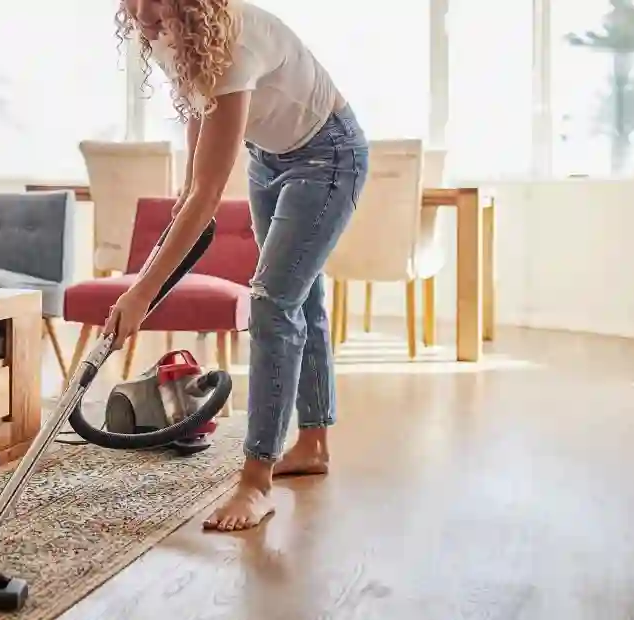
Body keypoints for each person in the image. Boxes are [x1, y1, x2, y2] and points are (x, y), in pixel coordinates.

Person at [106, 0, 369, 531]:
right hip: (265, 157)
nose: (143, 22)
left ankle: (255, 484)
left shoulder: (233, 43)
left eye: (155, 12)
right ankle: (313, 443)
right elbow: (201, 106)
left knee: (272, 305)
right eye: (134, 11)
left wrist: (139, 293)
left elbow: (209, 195)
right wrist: (185, 184)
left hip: (328, 154)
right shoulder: (160, 25)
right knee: (303, 296)